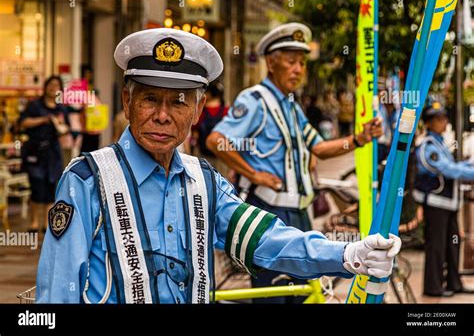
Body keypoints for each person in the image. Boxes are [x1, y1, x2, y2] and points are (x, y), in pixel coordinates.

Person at [36, 28, 400, 304]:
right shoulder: (87, 179)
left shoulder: (204, 181)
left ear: (197, 110)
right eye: (150, 99)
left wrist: (347, 254)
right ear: (127, 101)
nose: (163, 116)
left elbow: (266, 240)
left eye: (178, 102)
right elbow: (57, 289)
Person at [206, 23, 385, 303]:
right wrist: (255, 175)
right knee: (273, 296)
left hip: (299, 212)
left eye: (302, 63)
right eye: (291, 62)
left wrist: (359, 139)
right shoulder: (255, 100)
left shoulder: (292, 106)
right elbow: (216, 141)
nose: (298, 69)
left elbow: (319, 147)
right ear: (271, 62)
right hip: (268, 208)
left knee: (304, 293)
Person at [413, 100, 474, 297]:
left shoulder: (439, 142)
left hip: (449, 204)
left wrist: (469, 168)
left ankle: (453, 283)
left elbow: (455, 166)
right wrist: (470, 171)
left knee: (453, 244)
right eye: (438, 119)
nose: (443, 121)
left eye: (444, 117)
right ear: (428, 123)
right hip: (436, 205)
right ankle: (433, 287)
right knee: (436, 247)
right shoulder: (427, 146)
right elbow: (449, 169)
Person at [20, 75, 70, 233]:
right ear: (45, 87)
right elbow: (23, 123)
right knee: (37, 186)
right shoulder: (35, 105)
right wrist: (44, 120)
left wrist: (60, 126)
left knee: (51, 187)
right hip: (35, 151)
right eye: (51, 84)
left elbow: (66, 129)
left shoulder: (61, 109)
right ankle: (34, 222)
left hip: (53, 153)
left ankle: (48, 223)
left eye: (57, 85)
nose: (53, 87)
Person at [194, 82, 228, 174]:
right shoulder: (226, 111)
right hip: (222, 155)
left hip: (203, 154)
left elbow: (195, 132)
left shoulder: (201, 111)